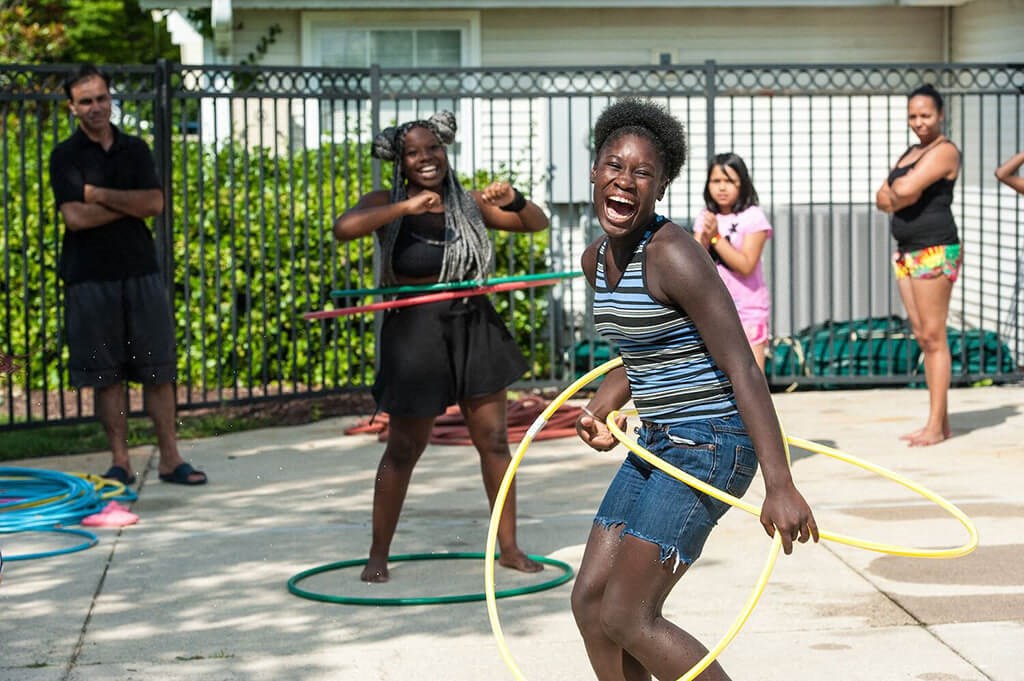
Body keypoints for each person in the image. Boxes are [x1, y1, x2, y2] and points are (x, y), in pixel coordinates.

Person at [571, 97, 818, 681]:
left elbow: (742, 368)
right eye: (614, 165)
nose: (624, 181)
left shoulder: (675, 254)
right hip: (657, 437)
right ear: (594, 171)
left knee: (630, 616)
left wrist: (780, 484)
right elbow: (648, 349)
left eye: (642, 173)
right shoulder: (594, 260)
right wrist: (608, 398)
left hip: (710, 442)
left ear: (660, 188)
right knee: (590, 604)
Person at [332, 111, 549, 583]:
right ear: (401, 161)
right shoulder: (385, 201)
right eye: (414, 152)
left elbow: (536, 222)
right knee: (405, 446)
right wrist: (403, 210)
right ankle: (378, 554)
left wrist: (514, 198)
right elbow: (344, 228)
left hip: (473, 326)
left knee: (493, 441)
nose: (426, 158)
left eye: (433, 148)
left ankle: (509, 548)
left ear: (444, 151)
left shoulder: (468, 204)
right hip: (415, 332)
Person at [49, 64, 206, 486]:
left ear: (110, 98)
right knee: (107, 375)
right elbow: (75, 217)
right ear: (72, 107)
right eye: (86, 101)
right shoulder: (64, 157)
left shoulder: (135, 150)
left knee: (159, 370)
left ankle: (171, 459)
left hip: (140, 272)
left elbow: (154, 204)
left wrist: (99, 194)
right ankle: (120, 461)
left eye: (102, 98)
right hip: (89, 278)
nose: (96, 107)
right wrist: (126, 203)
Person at [875, 83, 962, 447]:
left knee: (933, 336)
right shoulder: (911, 152)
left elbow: (904, 191)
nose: (919, 122)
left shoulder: (945, 151)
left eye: (925, 115)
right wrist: (897, 193)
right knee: (923, 337)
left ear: (940, 115)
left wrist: (898, 193)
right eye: (913, 115)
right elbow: (881, 197)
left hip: (935, 250)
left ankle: (935, 425)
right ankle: (938, 423)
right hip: (907, 251)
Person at [693, 153, 773, 372]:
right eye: (716, 181)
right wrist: (702, 238)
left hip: (748, 310)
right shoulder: (706, 216)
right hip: (715, 309)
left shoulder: (753, 217)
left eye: (729, 181)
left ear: (742, 184)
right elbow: (695, 261)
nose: (721, 188)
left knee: (752, 376)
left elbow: (746, 265)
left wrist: (716, 238)